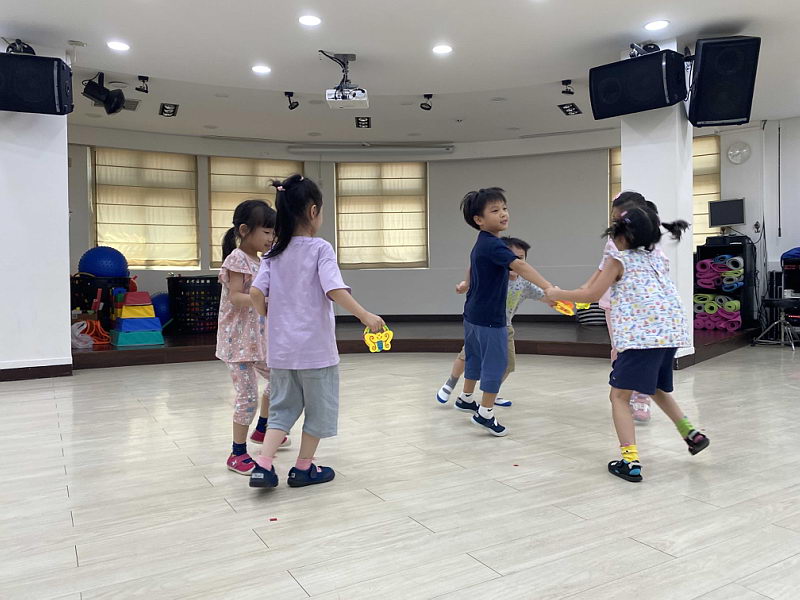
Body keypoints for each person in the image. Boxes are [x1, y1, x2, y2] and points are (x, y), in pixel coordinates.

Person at [545, 205, 710, 483]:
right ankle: (691, 434)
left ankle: (630, 461)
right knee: (655, 387)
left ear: (622, 236)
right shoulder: (656, 258)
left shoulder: (618, 260)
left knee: (619, 397)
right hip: (669, 334)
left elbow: (592, 294)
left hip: (641, 338)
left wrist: (557, 293)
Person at [248, 174, 384, 488]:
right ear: (313, 211)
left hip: (282, 352)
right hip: (315, 352)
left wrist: (268, 313)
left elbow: (255, 293)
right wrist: (365, 315)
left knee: (281, 409)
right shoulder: (320, 249)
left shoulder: (274, 253)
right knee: (319, 410)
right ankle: (303, 468)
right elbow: (333, 289)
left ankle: (263, 465)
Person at [457, 188, 554, 436]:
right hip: (490, 318)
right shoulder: (493, 245)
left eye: (504, 208)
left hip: (473, 313)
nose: (503, 214)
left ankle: (466, 398)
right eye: (495, 210)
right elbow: (519, 265)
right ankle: (485, 413)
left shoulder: (482, 243)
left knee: (475, 357)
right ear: (479, 219)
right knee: (497, 364)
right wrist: (548, 287)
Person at [216, 199, 287, 475]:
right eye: (267, 232)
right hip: (237, 342)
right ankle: (237, 453)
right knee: (247, 397)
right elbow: (235, 296)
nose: (272, 238)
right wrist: (264, 301)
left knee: (280, 379)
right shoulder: (237, 258)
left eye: (273, 232)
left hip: (258, 340)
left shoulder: (262, 261)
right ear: (245, 230)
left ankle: (263, 429)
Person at [436, 236, 549, 408]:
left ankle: (491, 395)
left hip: (505, 327)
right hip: (483, 324)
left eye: (520, 258)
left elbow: (543, 295)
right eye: (511, 258)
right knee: (467, 356)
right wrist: (465, 284)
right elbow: (473, 268)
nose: (515, 262)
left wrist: (558, 300)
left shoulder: (524, 283)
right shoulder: (493, 275)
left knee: (507, 365)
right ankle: (451, 382)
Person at [581, 191, 656, 423]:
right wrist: (586, 288)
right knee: (620, 349)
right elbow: (603, 267)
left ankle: (642, 396)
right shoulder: (613, 240)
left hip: (642, 305)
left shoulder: (650, 241)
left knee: (641, 350)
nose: (616, 225)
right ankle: (627, 392)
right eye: (614, 219)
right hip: (614, 304)